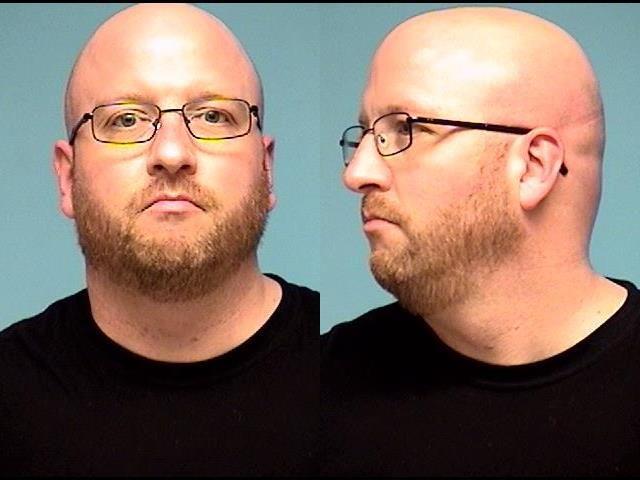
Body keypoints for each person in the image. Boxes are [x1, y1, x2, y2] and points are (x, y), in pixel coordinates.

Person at [0, 3, 318, 476]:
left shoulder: (355, 373)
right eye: (126, 120)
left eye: (213, 116)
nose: (171, 152)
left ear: (266, 169)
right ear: (67, 178)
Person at [321, 5, 640, 476]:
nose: (357, 173)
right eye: (367, 134)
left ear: (533, 167)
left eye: (406, 129)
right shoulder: (317, 392)